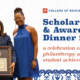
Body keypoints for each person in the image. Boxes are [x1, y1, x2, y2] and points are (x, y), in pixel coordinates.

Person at [13, 8, 39, 80]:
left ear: (24, 18)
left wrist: (34, 59)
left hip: (28, 60)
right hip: (18, 61)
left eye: (19, 18)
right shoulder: (14, 32)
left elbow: (35, 45)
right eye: (15, 19)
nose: (18, 20)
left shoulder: (31, 29)